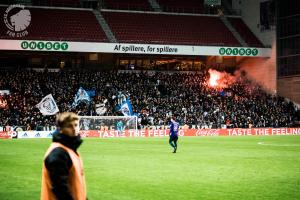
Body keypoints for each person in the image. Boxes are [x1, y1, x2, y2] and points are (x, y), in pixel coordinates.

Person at [41, 112, 87, 200]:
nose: (74, 129)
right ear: (61, 128)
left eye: (76, 125)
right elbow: (60, 189)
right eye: (69, 126)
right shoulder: (59, 153)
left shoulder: (71, 150)